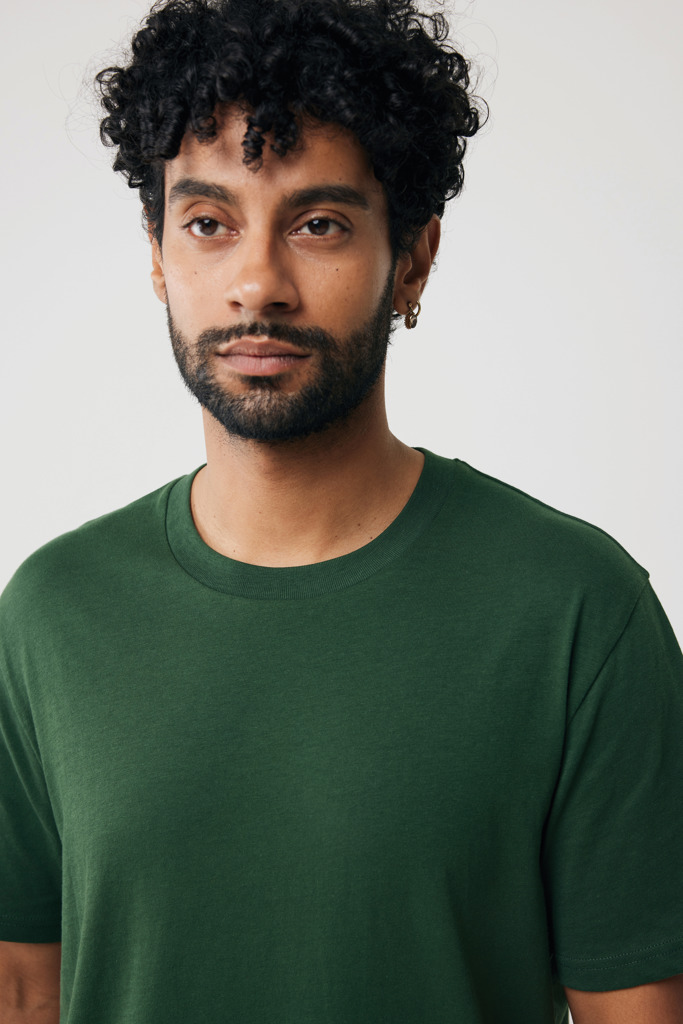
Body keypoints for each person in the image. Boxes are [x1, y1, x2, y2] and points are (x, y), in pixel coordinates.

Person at [1, 0, 682, 1021]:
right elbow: (23, 991)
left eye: (317, 224)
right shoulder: (51, 613)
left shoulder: (575, 612)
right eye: (208, 223)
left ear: (411, 258)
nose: (257, 284)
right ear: (156, 254)